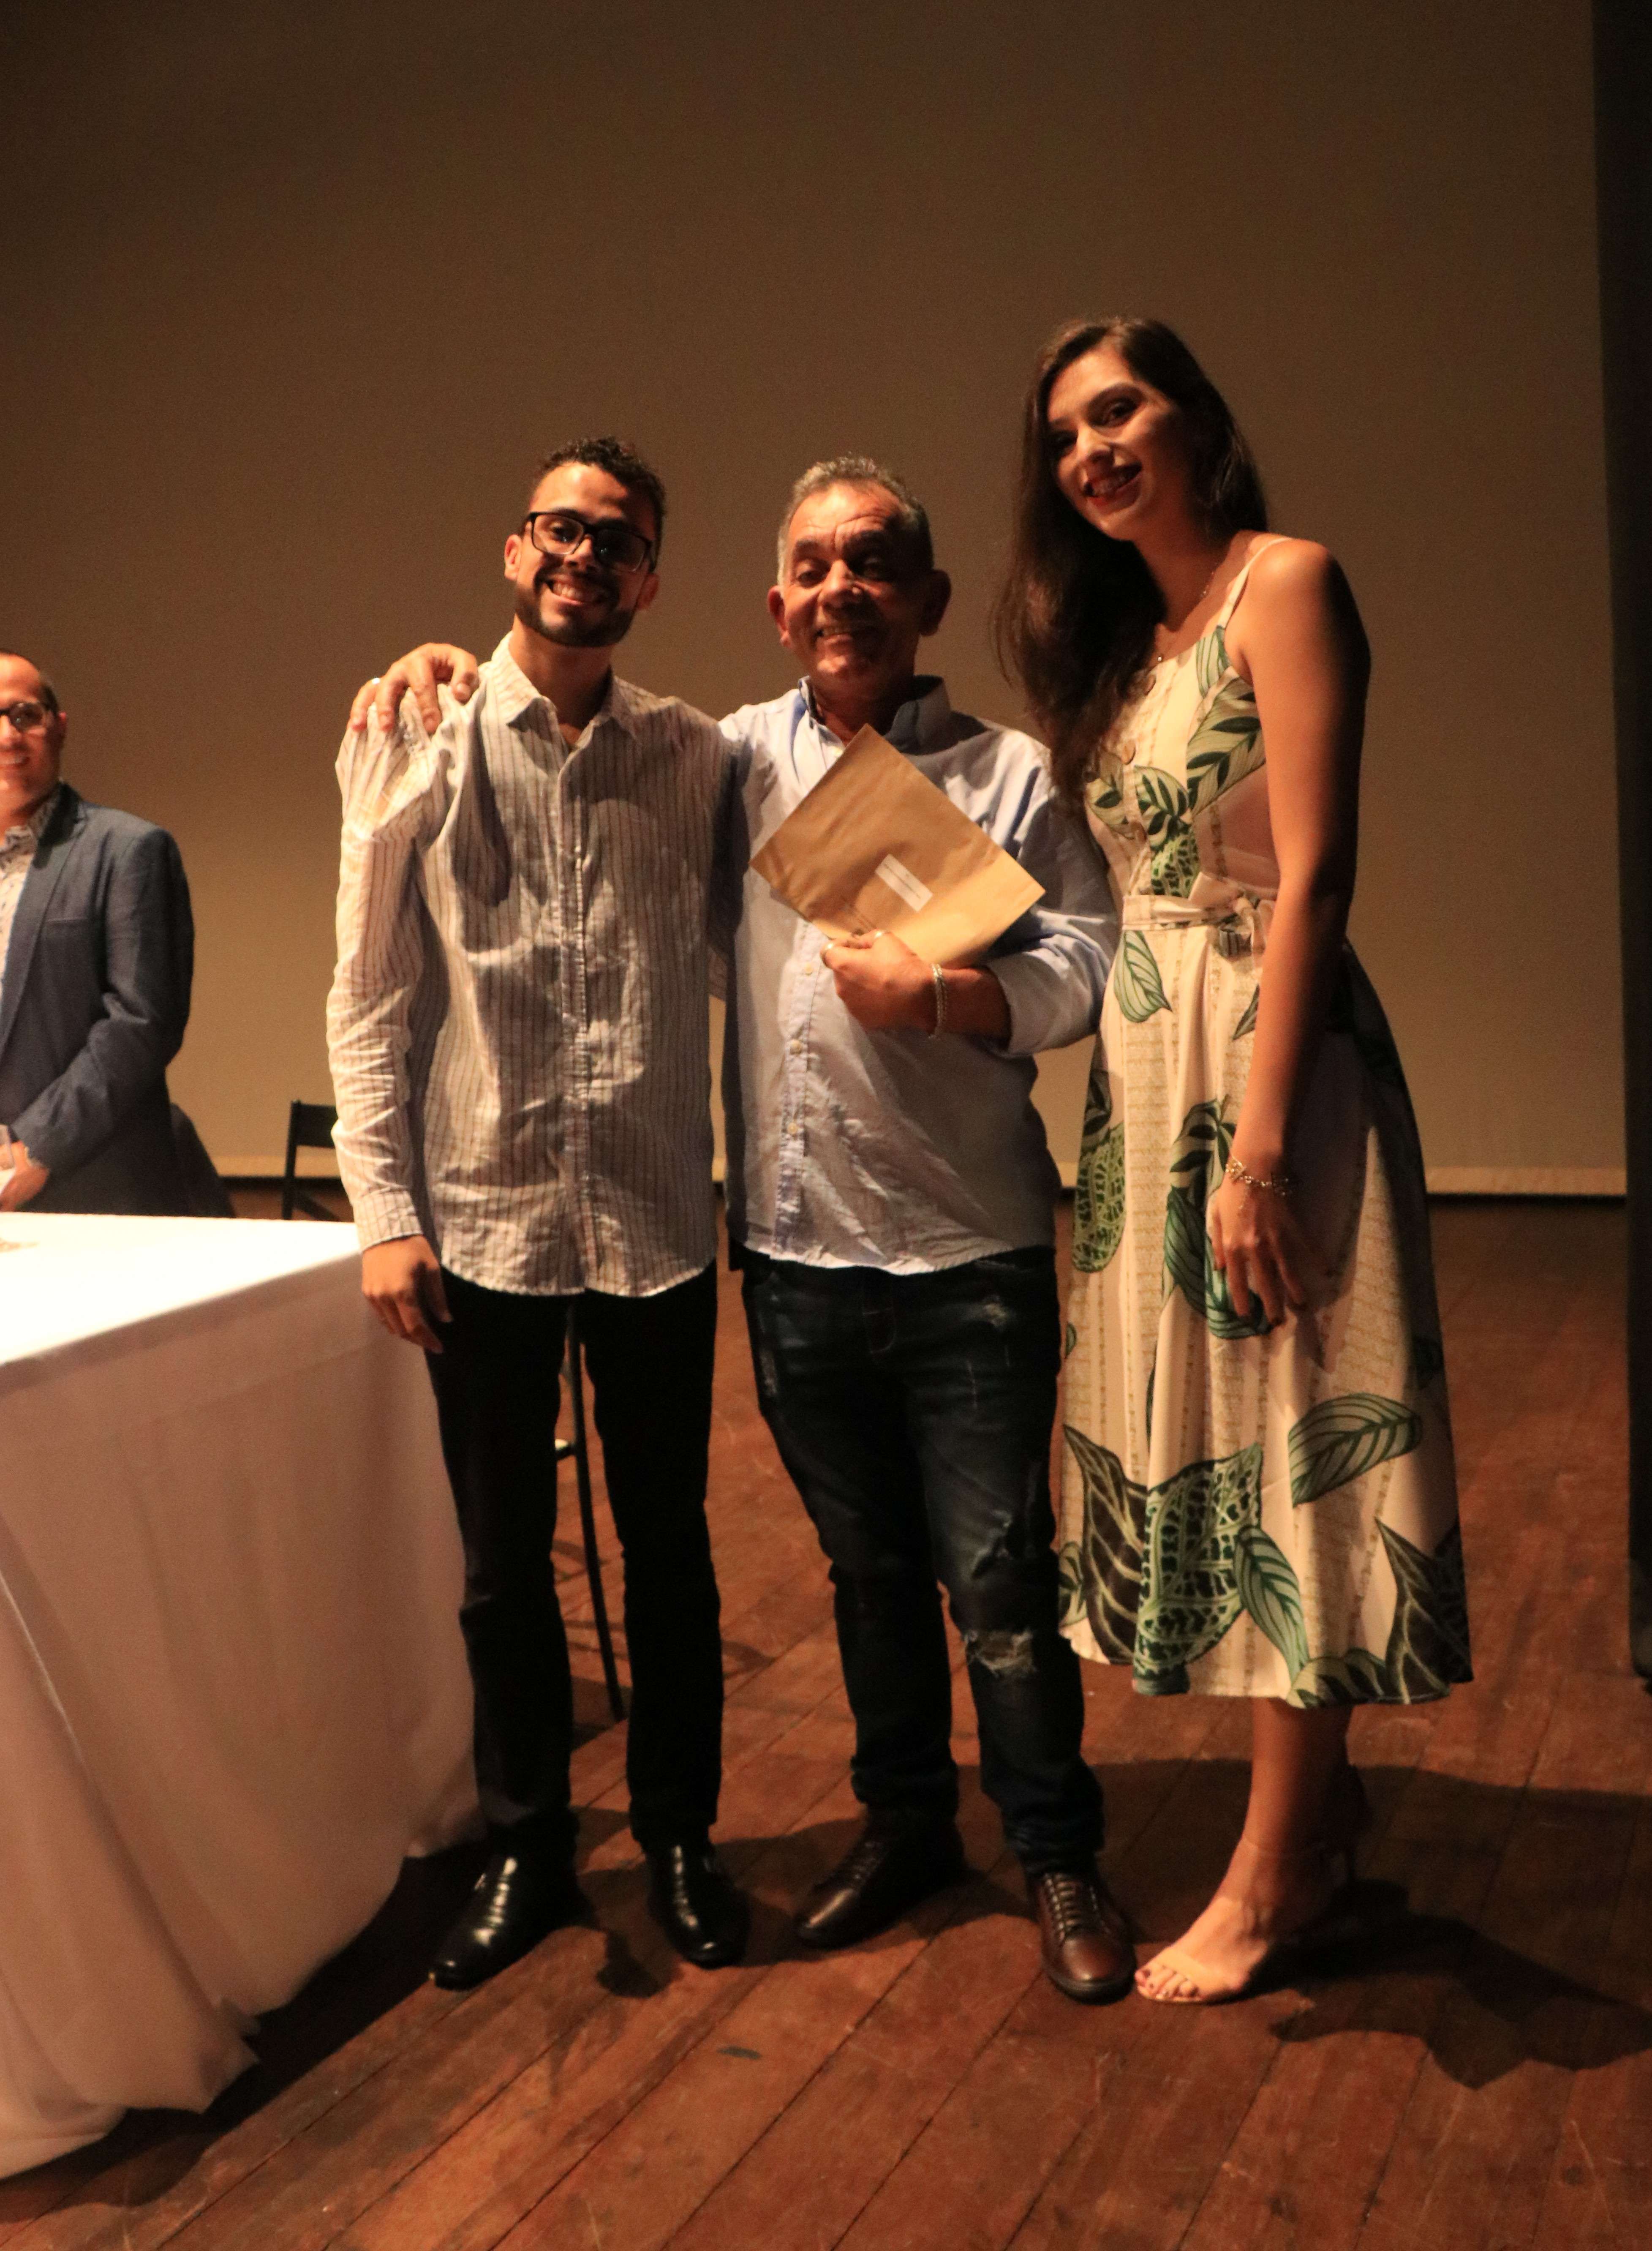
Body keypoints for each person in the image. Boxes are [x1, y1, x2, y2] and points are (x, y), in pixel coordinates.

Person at [359, 456, 1136, 2004]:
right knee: (864, 1573)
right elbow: (423, 929)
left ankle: (1056, 1849)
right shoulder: (728, 762)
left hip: (966, 1244)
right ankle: (907, 1824)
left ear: (927, 597)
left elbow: (1091, 957)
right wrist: (435, 658)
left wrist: (961, 995)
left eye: (876, 562)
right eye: (814, 567)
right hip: (791, 1253)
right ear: (776, 607)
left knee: (998, 1586)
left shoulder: (1004, 773)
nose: (844, 589)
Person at [996, 318, 1470, 2003]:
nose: (1091, 449)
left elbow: (1316, 872)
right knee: (1218, 1430)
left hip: (1264, 1062)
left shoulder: (1288, 580)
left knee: (1286, 1441)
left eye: (1118, 408)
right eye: (1065, 433)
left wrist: (1260, 1149)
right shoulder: (1134, 646)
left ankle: (1270, 1877)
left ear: (1193, 415)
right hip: (1148, 1072)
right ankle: (1317, 1822)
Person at [328, 438, 747, 1992]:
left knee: (671, 1552)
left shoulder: (698, 756)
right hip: (483, 1222)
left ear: (651, 578)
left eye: (617, 537)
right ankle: (526, 1845)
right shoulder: (413, 733)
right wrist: (384, 1210)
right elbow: (370, 992)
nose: (584, 553)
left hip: (654, 1221)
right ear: (516, 549)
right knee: (503, 1565)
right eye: (559, 527)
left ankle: (683, 1836)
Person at [0, 650, 196, 1216]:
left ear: (58, 727)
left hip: (91, 1191)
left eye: (24, 715)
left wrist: (36, 1149)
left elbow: (141, 1022)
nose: (8, 736)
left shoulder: (129, 850)